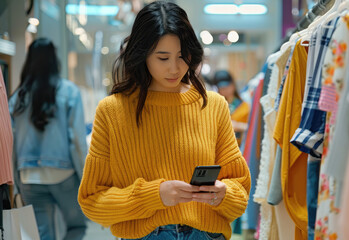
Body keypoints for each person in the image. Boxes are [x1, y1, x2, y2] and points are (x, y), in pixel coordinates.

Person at [77, 2, 250, 240]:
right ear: (142, 54)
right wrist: (153, 195)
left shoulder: (213, 105)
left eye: (182, 56)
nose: (175, 68)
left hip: (206, 234)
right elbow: (92, 201)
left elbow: (240, 192)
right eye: (163, 57)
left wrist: (221, 194)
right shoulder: (112, 111)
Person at [8, 38, 88, 239]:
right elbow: (77, 141)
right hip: (63, 174)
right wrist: (86, 178)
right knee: (76, 226)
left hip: (28, 176)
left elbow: (11, 144)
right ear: (55, 59)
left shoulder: (18, 97)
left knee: (42, 233)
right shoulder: (69, 91)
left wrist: (17, 181)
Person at [213, 70, 250, 145]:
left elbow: (252, 127)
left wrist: (238, 126)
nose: (225, 90)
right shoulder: (215, 107)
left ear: (233, 85)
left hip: (240, 146)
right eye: (222, 88)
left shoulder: (244, 106)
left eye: (227, 86)